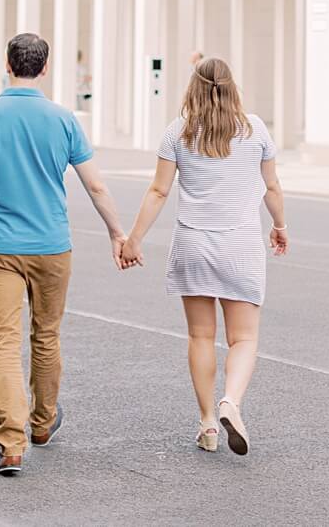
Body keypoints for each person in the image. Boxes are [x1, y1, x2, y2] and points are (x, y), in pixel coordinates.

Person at [0, 31, 127, 476]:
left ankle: (11, 445)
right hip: (53, 246)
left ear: (7, 65)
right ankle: (43, 422)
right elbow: (96, 185)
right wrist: (117, 233)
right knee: (46, 335)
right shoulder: (64, 119)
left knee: (4, 343)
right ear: (45, 68)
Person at [119, 55, 288, 458]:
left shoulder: (177, 132)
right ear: (232, 87)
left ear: (191, 88)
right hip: (241, 246)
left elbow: (158, 191)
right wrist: (280, 226)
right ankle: (231, 400)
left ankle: (208, 422)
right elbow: (272, 186)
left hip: (193, 244)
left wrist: (134, 239)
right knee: (243, 338)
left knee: (200, 336)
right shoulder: (255, 128)